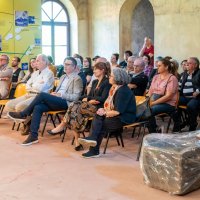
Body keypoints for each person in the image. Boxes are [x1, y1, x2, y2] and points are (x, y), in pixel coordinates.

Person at [8, 57, 83, 145]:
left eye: (68, 64)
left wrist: (61, 95)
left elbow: (76, 97)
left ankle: (23, 114)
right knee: (37, 107)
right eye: (64, 64)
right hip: (56, 100)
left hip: (66, 103)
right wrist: (55, 93)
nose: (65, 66)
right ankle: (33, 136)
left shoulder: (77, 79)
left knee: (42, 94)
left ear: (74, 67)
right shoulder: (62, 77)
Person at [47, 62, 111, 151]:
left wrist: (88, 99)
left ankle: (63, 126)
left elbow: (102, 98)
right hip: (89, 106)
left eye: (96, 69)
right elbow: (87, 96)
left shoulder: (107, 82)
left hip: (99, 108)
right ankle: (77, 143)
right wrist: (87, 99)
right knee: (74, 111)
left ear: (102, 70)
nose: (94, 71)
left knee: (74, 107)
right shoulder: (95, 81)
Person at [78, 68, 136, 158]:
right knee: (97, 117)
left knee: (100, 124)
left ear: (118, 78)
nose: (109, 77)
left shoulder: (123, 91)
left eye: (111, 76)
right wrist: (103, 110)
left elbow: (117, 111)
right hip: (115, 115)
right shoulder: (115, 88)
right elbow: (109, 106)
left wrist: (104, 112)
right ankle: (93, 143)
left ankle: (93, 147)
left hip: (124, 117)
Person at [148, 58, 178, 133]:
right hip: (155, 101)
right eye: (157, 65)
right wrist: (147, 101)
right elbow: (150, 91)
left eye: (159, 66)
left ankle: (153, 132)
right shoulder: (156, 77)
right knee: (141, 109)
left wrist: (153, 103)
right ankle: (154, 128)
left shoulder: (172, 78)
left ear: (166, 67)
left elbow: (168, 96)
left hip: (168, 104)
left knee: (149, 111)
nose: (157, 67)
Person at [177, 57, 200, 131]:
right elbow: (179, 86)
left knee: (190, 106)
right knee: (174, 102)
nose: (187, 64)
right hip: (185, 97)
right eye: (187, 63)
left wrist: (197, 91)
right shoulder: (184, 74)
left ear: (195, 65)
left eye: (189, 63)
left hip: (196, 97)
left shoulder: (199, 73)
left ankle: (192, 124)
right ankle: (179, 123)